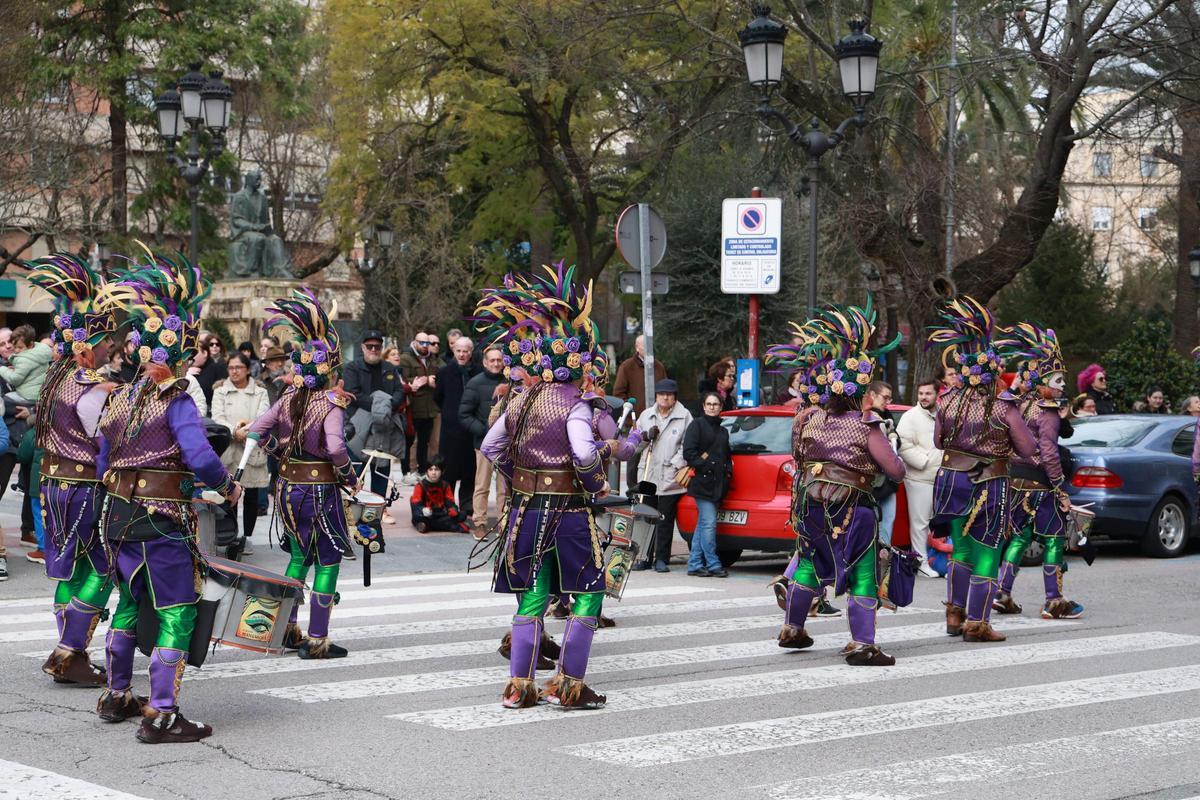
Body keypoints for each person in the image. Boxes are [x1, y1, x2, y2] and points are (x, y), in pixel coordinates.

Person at [94, 251, 242, 742]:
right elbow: (200, 456)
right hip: (160, 519)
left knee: (128, 603)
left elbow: (102, 460)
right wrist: (225, 486)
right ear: (179, 355)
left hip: (117, 514)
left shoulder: (119, 397)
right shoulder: (175, 398)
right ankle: (161, 712)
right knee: (177, 609)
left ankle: (116, 694)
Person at [476, 262, 613, 710]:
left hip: (525, 509)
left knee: (533, 592)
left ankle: (520, 686)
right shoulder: (577, 403)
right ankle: (569, 684)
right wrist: (595, 484)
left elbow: (490, 445)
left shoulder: (521, 399)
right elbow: (584, 454)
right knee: (590, 591)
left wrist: (520, 477)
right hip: (569, 512)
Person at [771, 302, 906, 666]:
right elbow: (895, 471)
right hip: (853, 506)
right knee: (863, 568)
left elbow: (797, 459)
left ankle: (793, 629)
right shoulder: (867, 424)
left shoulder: (808, 419)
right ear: (860, 389)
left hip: (810, 502)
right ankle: (863, 643)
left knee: (809, 564)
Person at [249, 288, 359, 660]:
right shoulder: (331, 404)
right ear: (331, 372)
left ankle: (288, 627)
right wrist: (349, 476)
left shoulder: (285, 400)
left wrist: (277, 453)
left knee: (298, 556)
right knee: (327, 558)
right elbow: (335, 448)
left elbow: (255, 431)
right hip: (320, 491)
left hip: (288, 489)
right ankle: (316, 638)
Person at [24, 254, 116, 686]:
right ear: (88, 346)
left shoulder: (55, 381)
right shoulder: (93, 386)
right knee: (103, 567)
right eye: (103, 344)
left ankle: (70, 655)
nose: (109, 349)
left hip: (53, 484)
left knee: (68, 567)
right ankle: (69, 649)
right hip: (83, 487)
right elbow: (105, 441)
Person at [928, 296, 1037, 643]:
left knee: (960, 550)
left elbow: (938, 441)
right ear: (993, 372)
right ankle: (978, 622)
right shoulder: (1004, 406)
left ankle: (954, 613)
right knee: (989, 549)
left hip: (951, 480)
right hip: (989, 482)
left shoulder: (947, 401)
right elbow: (1028, 449)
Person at [993, 323, 1084, 620]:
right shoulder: (1046, 411)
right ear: (1042, 381)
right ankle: (1053, 600)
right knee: (1055, 539)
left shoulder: (1020, 404)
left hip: (1017, 481)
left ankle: (1002, 593)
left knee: (1019, 538)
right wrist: (1060, 489)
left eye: (1062, 380)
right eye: (1056, 380)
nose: (1061, 385)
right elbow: (1048, 452)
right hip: (1041, 485)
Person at [210, 352, 270, 554]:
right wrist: (234, 431)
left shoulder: (259, 391)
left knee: (252, 494)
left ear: (247, 369)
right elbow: (217, 417)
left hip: (251, 448)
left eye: (238, 367)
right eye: (231, 368)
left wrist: (247, 431)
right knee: (230, 493)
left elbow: (264, 417)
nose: (234, 371)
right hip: (229, 448)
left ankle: (248, 536)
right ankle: (231, 535)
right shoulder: (220, 391)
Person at [633, 379, 692, 572]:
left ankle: (662, 559)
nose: (665, 397)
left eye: (669, 394)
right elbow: (634, 445)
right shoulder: (646, 415)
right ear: (656, 396)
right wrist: (644, 436)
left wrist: (674, 463)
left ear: (675, 397)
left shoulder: (684, 416)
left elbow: (687, 446)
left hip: (670, 477)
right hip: (648, 473)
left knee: (664, 520)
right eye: (661, 394)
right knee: (646, 517)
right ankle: (644, 557)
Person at [343, 330, 407, 493]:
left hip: (384, 428)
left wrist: (388, 405)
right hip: (358, 428)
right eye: (370, 346)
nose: (373, 350)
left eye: (377, 347)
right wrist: (381, 405)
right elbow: (353, 393)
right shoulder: (352, 368)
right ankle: (354, 512)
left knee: (381, 473)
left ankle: (378, 512)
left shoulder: (390, 369)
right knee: (356, 475)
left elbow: (400, 392)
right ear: (363, 348)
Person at [897, 377, 944, 578]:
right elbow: (903, 445)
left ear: (937, 394)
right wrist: (925, 462)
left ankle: (940, 560)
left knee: (939, 521)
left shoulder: (943, 414)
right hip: (919, 477)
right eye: (921, 393)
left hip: (942, 477)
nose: (924, 397)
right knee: (920, 522)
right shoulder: (910, 417)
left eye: (928, 393)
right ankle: (921, 562)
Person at [682, 391, 732, 578]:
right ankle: (712, 563)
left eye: (716, 404)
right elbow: (689, 453)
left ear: (720, 407)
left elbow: (727, 455)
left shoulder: (723, 430)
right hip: (702, 483)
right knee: (709, 523)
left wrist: (727, 472)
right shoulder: (697, 425)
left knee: (703, 524)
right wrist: (708, 464)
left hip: (719, 484)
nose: (712, 407)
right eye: (709, 404)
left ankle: (695, 563)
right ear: (703, 406)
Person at [459, 345, 506, 533]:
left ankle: (504, 522)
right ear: (485, 362)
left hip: (505, 444)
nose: (496, 363)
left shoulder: (511, 382)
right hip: (484, 444)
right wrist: (483, 431)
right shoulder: (475, 383)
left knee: (504, 487)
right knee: (482, 485)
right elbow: (464, 414)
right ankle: (480, 522)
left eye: (499, 360)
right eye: (492, 360)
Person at [613, 334, 667, 490]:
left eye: (651, 345)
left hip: (658, 418)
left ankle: (652, 489)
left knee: (657, 454)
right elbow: (619, 393)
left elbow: (665, 390)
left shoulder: (658, 366)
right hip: (636, 423)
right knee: (634, 456)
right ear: (638, 348)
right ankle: (633, 491)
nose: (650, 349)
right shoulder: (627, 366)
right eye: (646, 345)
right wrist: (632, 416)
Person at [434, 336, 479, 517]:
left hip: (472, 427)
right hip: (451, 427)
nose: (462, 354)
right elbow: (438, 397)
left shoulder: (478, 372)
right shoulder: (444, 372)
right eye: (459, 350)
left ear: (471, 353)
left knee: (470, 467)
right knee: (449, 467)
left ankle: (467, 502)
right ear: (453, 351)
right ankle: (448, 501)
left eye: (466, 351)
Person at [397, 328, 438, 479]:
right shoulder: (406, 358)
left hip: (429, 407)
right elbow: (402, 380)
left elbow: (440, 374)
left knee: (424, 442)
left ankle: (422, 471)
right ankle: (406, 471)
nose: (425, 345)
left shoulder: (433, 358)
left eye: (427, 342)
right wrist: (425, 380)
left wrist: (434, 380)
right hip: (412, 407)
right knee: (409, 441)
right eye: (422, 342)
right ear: (414, 342)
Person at [410, 455, 469, 533]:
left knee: (462, 515)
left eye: (437, 470)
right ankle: (452, 526)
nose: (433, 473)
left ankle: (427, 526)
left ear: (442, 471)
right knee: (417, 516)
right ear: (427, 471)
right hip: (426, 515)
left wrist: (453, 510)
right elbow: (415, 504)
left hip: (441, 514)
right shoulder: (420, 486)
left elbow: (450, 503)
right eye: (431, 469)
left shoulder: (445, 485)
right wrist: (423, 510)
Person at [0, 324, 53, 402]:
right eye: (2, 344)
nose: (8, 346)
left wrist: (31, 411)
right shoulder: (38, 355)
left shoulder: (47, 363)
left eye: (9, 341)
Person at [188, 334, 228, 410]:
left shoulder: (218, 367)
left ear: (205, 353)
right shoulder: (192, 369)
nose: (190, 357)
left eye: (194, 354)